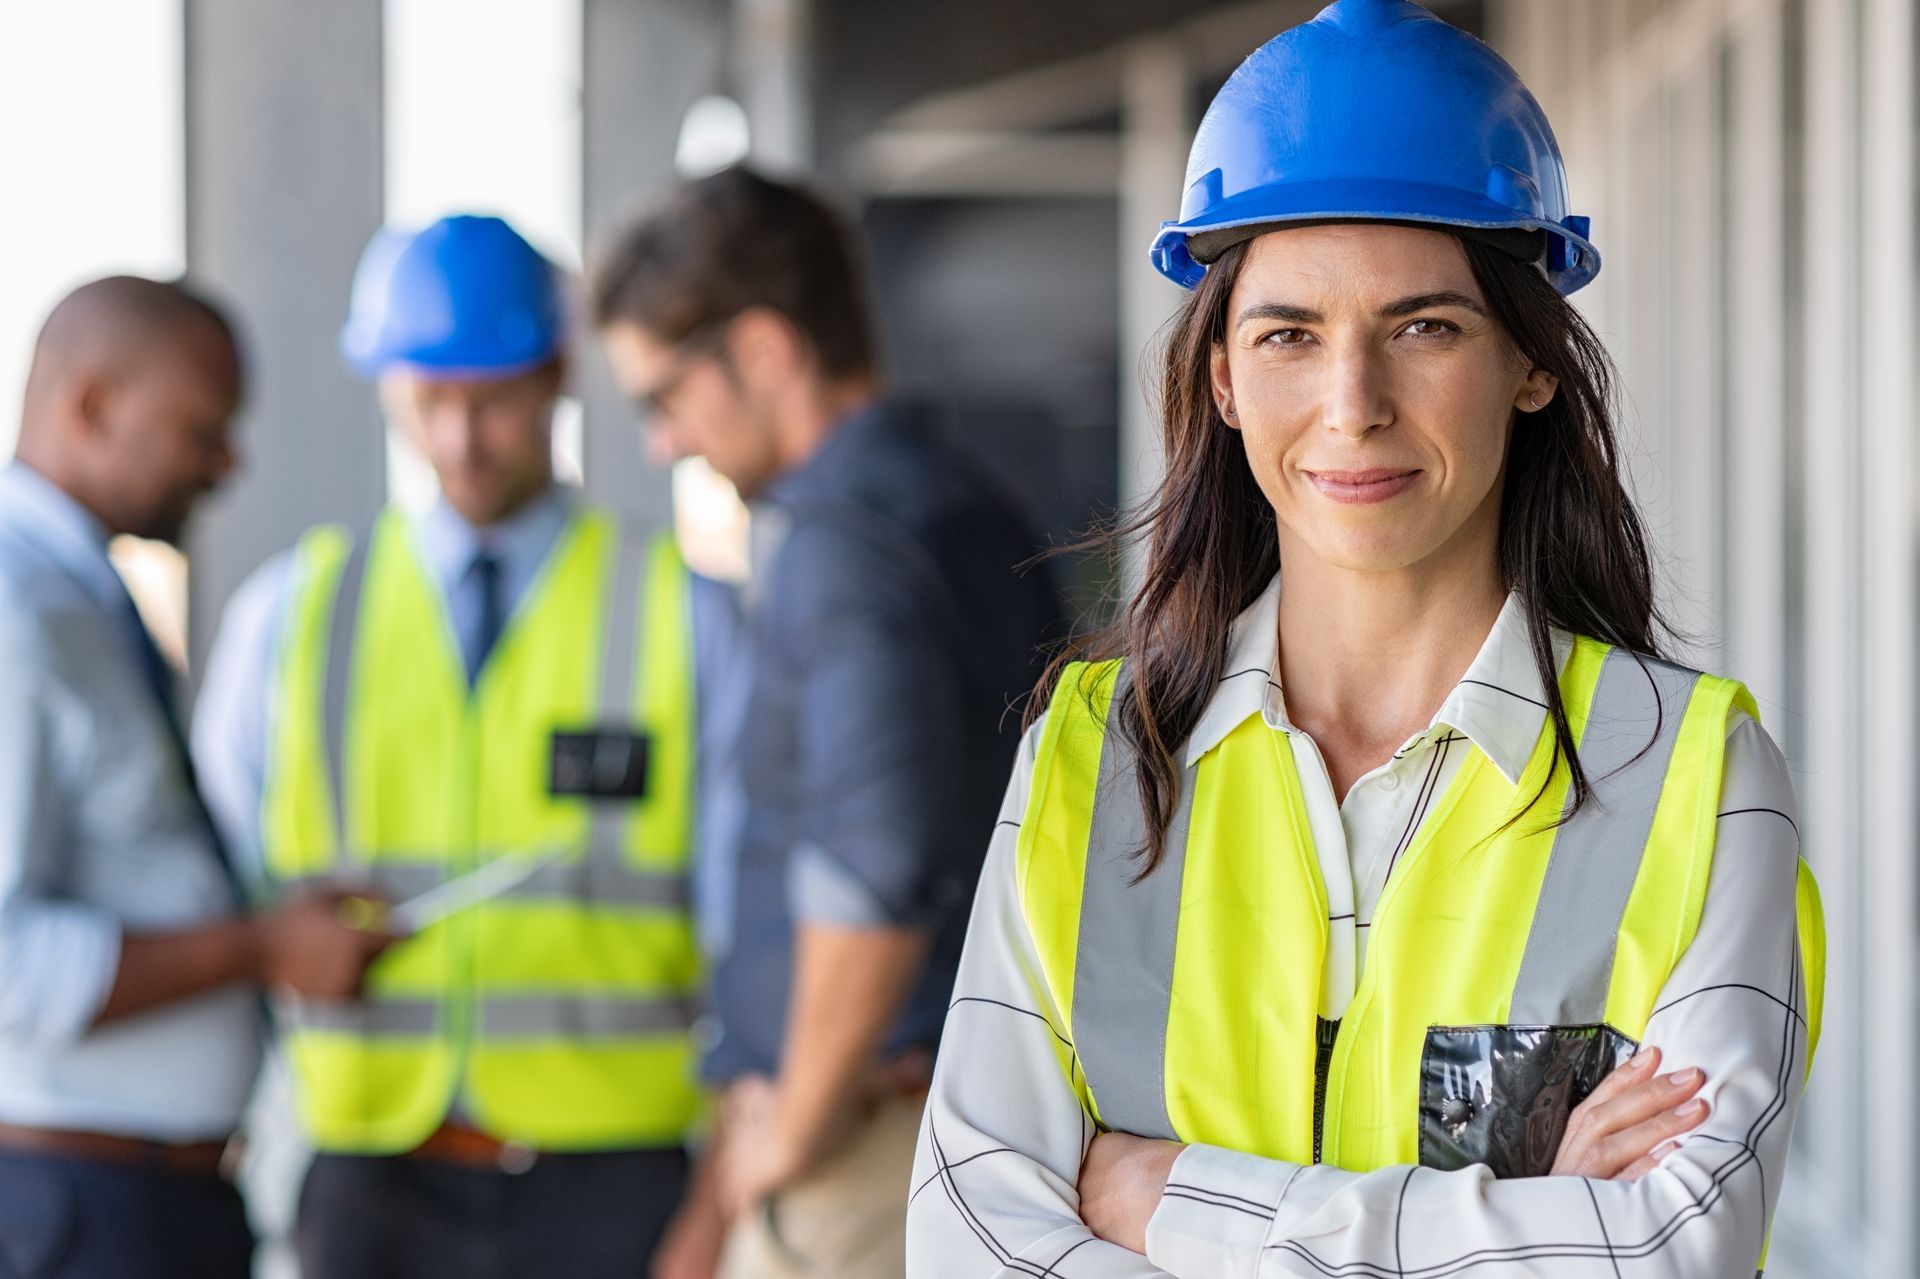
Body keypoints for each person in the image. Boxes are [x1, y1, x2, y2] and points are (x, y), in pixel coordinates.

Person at [905, 2, 1826, 1276]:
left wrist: (1162, 1195)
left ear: (1531, 362)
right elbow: (967, 1242)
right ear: (1222, 377)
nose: (1353, 406)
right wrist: (1516, 1221)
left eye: (1425, 327)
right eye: (1289, 334)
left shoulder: (1697, 782)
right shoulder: (1091, 758)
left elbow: (1670, 1253)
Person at [193, 215, 715, 1278]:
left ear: (557, 377)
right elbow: (220, 899)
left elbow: (754, 919)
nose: (461, 439)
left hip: (613, 1177)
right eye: (428, 400)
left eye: (495, 401)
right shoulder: (293, 615)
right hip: (373, 1175)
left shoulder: (680, 611)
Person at [592, 167, 1063, 1279]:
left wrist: (792, 1127)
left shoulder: (844, 540)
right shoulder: (954, 498)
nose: (663, 442)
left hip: (868, 1146)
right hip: (944, 1115)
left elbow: (874, 862)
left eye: (664, 396)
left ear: (761, 350)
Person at [0, 276, 393, 1279]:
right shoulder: (14, 614)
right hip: (80, 1208)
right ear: (92, 406)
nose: (227, 463)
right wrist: (259, 947)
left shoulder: (77, 601)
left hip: (149, 1201)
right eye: (203, 428)